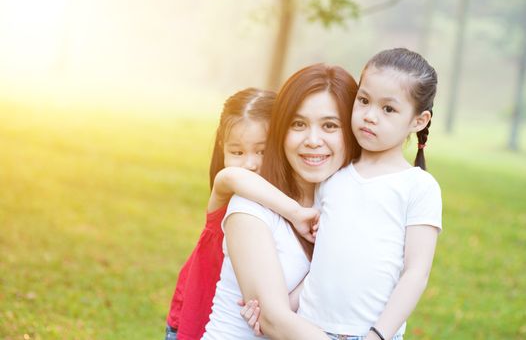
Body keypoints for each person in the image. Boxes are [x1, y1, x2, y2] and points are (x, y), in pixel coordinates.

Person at [241, 47, 442, 340]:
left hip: (369, 334)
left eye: (388, 109)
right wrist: (275, 310)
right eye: (363, 101)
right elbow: (322, 265)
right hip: (308, 329)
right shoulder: (333, 177)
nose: (370, 116)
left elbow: (415, 274)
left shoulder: (418, 187)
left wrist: (378, 335)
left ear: (418, 121)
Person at [201, 63, 360, 339]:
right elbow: (273, 322)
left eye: (330, 125)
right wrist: (275, 314)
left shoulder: (340, 204)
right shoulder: (249, 208)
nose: (312, 140)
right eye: (298, 124)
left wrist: (280, 308)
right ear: (280, 132)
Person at [165, 88, 277, 340]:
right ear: (222, 148)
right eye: (237, 152)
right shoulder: (226, 189)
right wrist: (297, 212)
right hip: (194, 318)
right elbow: (232, 176)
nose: (250, 163)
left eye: (262, 150)